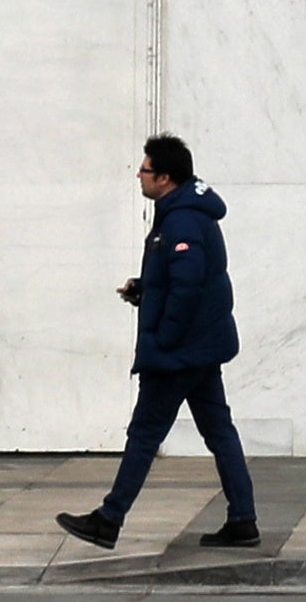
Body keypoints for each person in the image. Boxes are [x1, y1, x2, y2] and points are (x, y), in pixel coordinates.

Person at [56, 132, 262, 551]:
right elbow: (181, 279)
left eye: (145, 169)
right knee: (219, 431)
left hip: (180, 353)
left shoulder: (182, 220)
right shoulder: (183, 213)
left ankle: (109, 520)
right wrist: (146, 288)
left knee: (145, 434)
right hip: (200, 348)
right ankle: (243, 520)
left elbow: (187, 288)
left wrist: (164, 339)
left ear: (165, 178)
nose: (139, 175)